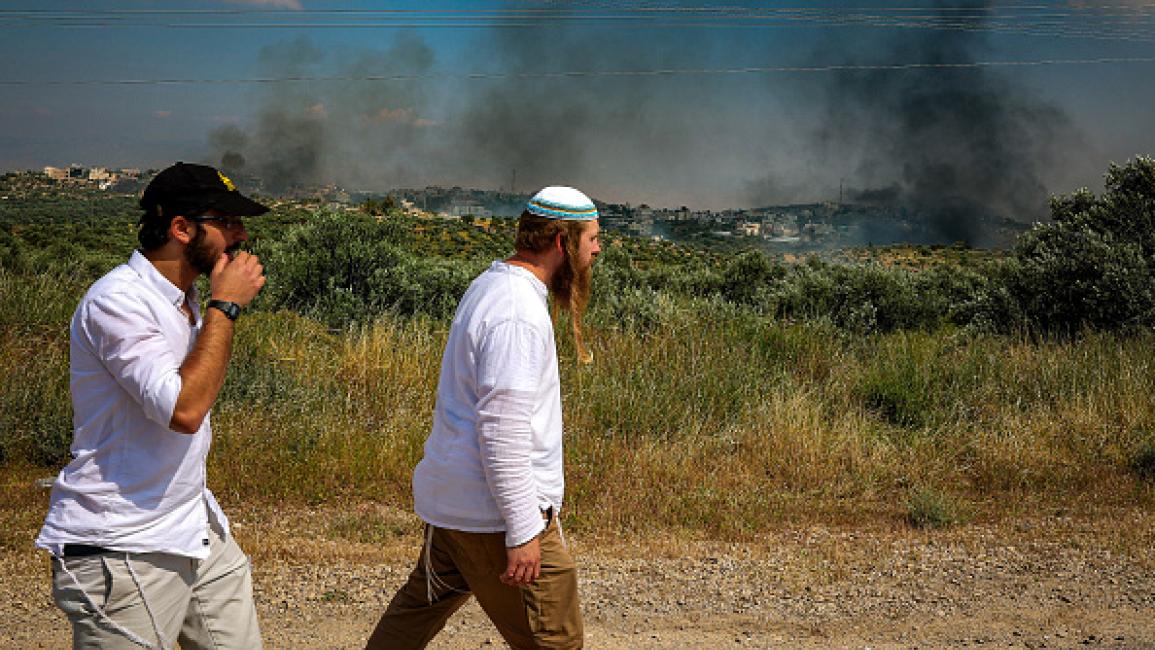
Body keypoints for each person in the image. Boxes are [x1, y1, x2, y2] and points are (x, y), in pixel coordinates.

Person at [35, 162, 269, 650]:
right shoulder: (118, 301)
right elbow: (183, 411)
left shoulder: (183, 297)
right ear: (181, 228)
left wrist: (212, 305)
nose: (241, 234)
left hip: (191, 525)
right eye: (226, 220)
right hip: (123, 543)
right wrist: (225, 308)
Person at [366, 186, 602, 650]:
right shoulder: (517, 312)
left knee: (414, 616)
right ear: (561, 242)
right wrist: (523, 529)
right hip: (493, 517)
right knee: (554, 638)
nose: (597, 249)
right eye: (592, 238)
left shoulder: (492, 284)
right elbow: (502, 429)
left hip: (454, 506)